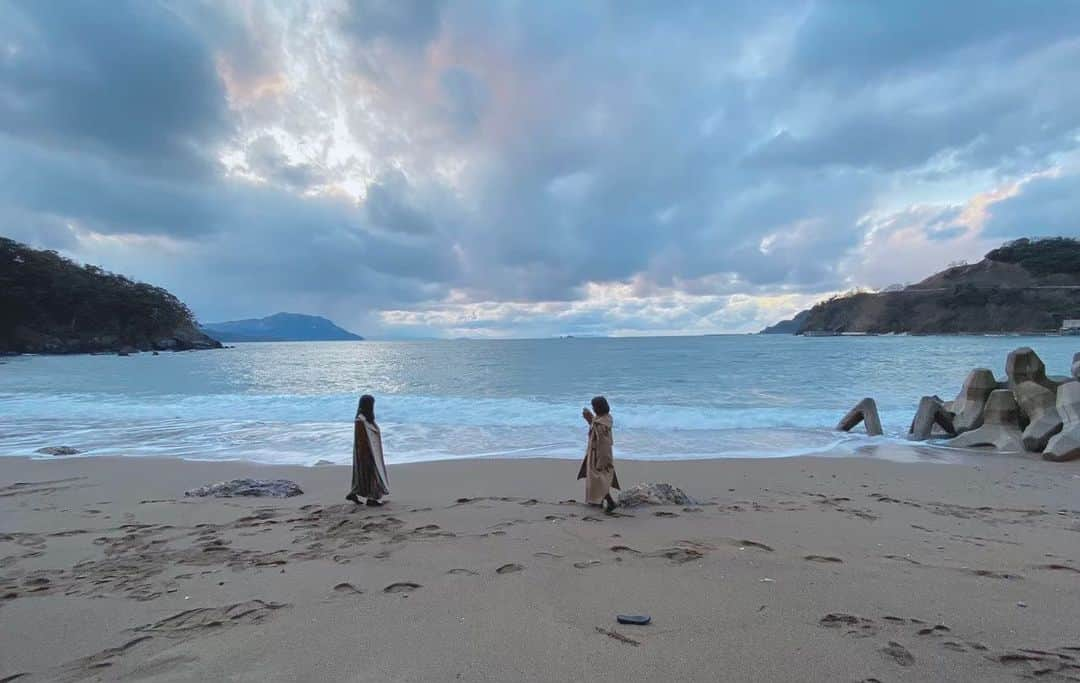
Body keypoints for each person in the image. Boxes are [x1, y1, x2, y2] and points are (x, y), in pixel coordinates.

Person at [577, 395, 620, 513]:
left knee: (599, 479)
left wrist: (602, 460)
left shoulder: (602, 425)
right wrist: (590, 419)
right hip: (595, 454)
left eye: (594, 407)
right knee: (598, 479)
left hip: (599, 455)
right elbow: (595, 427)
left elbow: (604, 443)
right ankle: (599, 501)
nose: (593, 409)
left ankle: (609, 502)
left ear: (598, 408)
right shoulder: (604, 419)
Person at [346, 394, 390, 506]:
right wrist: (365, 454)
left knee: (365, 475)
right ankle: (371, 499)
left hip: (369, 451)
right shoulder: (360, 420)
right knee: (370, 475)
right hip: (365, 452)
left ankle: (355, 493)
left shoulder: (366, 419)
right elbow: (361, 439)